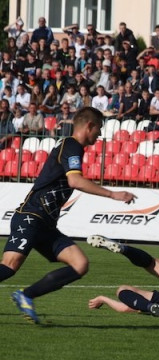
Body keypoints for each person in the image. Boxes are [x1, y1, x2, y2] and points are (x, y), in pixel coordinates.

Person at [2, 107, 136, 324]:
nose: (99, 134)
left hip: (45, 223)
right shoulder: (71, 145)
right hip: (31, 216)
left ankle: (25, 296)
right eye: (99, 128)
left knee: (80, 264)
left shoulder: (71, 147)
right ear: (89, 126)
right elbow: (75, 181)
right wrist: (113, 194)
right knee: (9, 266)